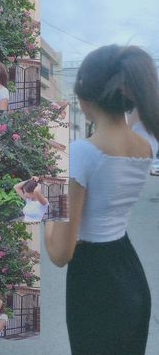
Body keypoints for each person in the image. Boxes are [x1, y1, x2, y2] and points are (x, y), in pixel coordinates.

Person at [44, 45, 159, 355]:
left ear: (82, 98)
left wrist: (46, 211)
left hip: (94, 281)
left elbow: (59, 254)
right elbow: (142, 110)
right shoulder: (146, 144)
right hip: (128, 269)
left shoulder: (85, 153)